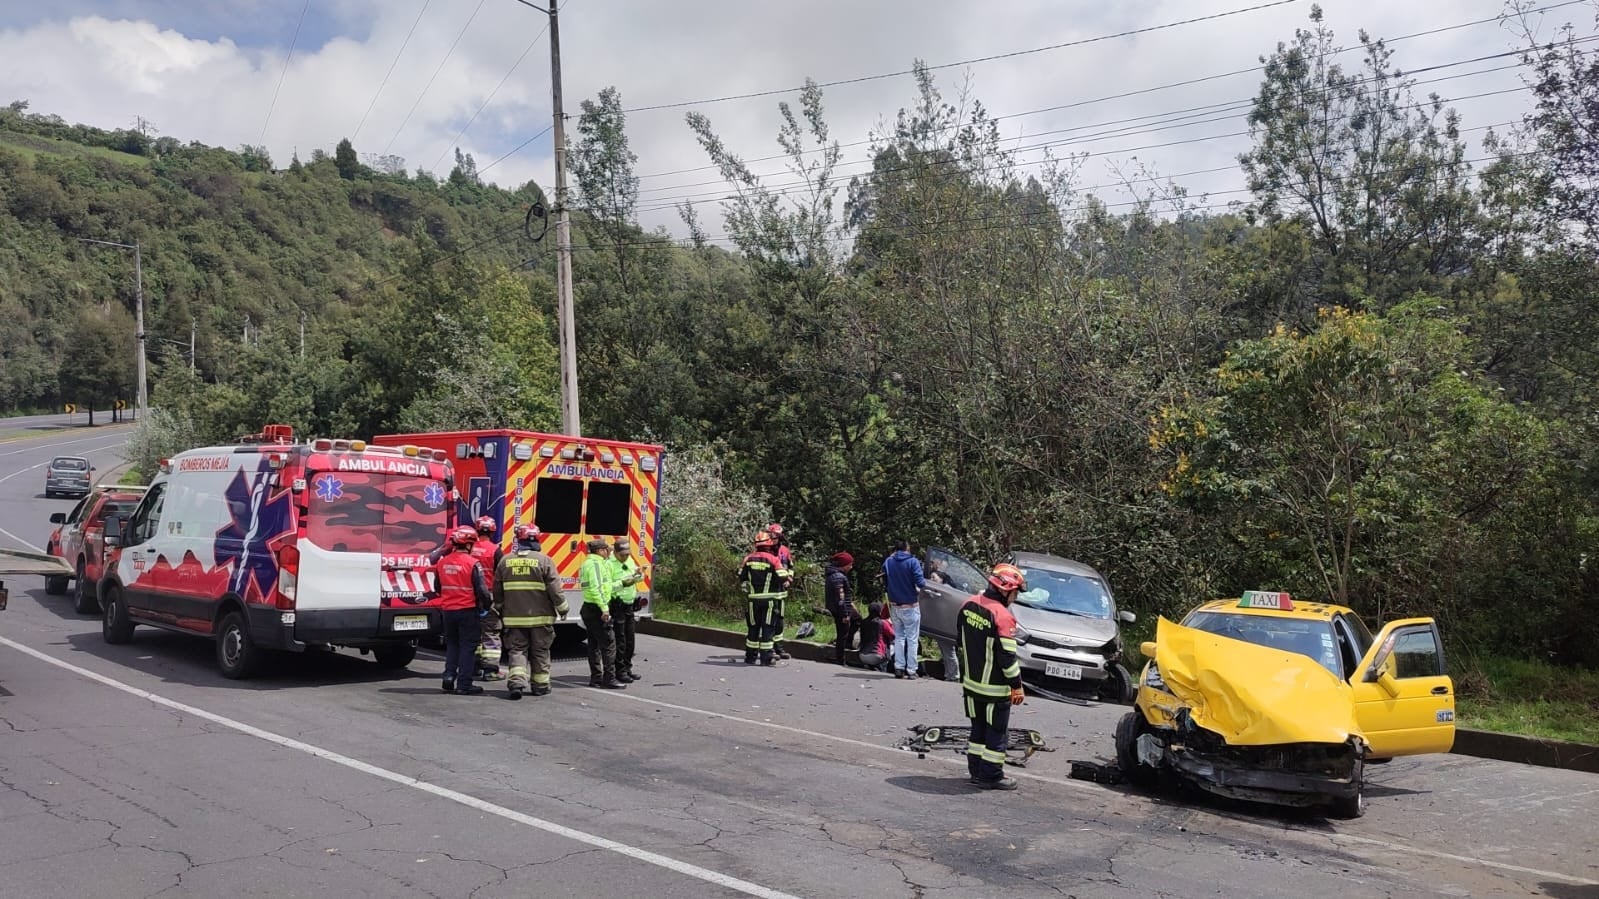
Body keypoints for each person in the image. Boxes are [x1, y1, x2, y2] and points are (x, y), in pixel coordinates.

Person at [958, 563, 1028, 790]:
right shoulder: (1002, 616)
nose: (1015, 598)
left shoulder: (968, 605)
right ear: (1005, 589)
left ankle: (976, 772)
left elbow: (959, 642)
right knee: (996, 735)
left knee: (977, 730)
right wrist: (1016, 686)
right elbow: (1007, 658)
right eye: (1015, 593)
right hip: (995, 690)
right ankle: (991, 776)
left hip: (971, 685)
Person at [494, 525, 566, 699]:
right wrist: (563, 608)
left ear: (519, 540)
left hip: (513, 618)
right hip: (541, 619)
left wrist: (499, 607)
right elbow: (555, 589)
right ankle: (540, 685)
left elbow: (497, 589)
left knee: (517, 651)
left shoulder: (505, 561)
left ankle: (516, 683)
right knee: (540, 651)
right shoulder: (544, 561)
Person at [431, 526, 492, 696]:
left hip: (448, 611)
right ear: (469, 544)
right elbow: (482, 590)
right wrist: (487, 606)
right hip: (467, 611)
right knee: (467, 648)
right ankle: (464, 684)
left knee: (452, 645)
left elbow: (437, 587)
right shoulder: (472, 563)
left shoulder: (442, 562)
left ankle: (449, 677)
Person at [579, 538, 625, 688]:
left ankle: (596, 678)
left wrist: (626, 582)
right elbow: (596, 588)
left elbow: (606, 587)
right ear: (600, 551)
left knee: (593, 644)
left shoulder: (589, 563)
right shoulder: (596, 565)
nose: (608, 552)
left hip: (589, 608)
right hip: (597, 609)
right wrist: (604, 608)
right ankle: (609, 678)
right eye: (606, 549)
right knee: (608, 644)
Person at [739, 530, 786, 666]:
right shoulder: (773, 559)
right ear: (769, 545)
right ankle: (766, 658)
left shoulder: (748, 559)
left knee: (753, 628)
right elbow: (782, 576)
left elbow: (741, 575)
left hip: (753, 600)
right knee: (768, 628)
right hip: (770, 601)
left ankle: (750, 657)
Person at [882, 538, 927, 679]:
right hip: (910, 605)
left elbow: (885, 581)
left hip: (894, 605)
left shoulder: (888, 562)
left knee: (899, 637)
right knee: (912, 638)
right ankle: (911, 670)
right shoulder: (913, 562)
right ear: (906, 548)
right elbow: (921, 582)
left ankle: (899, 668)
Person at [470, 515, 505, 681]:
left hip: (469, 596)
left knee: (474, 633)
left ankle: (473, 667)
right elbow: (502, 574)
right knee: (491, 633)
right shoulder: (495, 550)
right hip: (489, 596)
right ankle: (490, 671)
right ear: (493, 531)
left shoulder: (469, 548)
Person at [608, 536, 647, 682]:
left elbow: (639, 577)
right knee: (620, 640)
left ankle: (627, 667)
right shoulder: (609, 564)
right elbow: (608, 587)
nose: (626, 557)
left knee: (630, 639)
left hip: (629, 604)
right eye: (623, 555)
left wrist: (638, 575)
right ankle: (619, 671)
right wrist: (625, 582)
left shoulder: (629, 560)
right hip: (617, 605)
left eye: (628, 554)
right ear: (616, 553)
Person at [823, 552, 860, 665]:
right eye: (850, 564)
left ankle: (847, 645)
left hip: (841, 607)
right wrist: (845, 614)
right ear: (844, 565)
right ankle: (840, 659)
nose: (851, 567)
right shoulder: (838, 577)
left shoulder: (835, 575)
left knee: (857, 620)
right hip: (840, 609)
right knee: (842, 634)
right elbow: (840, 598)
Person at [765, 523, 795, 660]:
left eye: (776, 536)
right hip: (767, 591)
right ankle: (769, 648)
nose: (774, 538)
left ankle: (779, 648)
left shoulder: (785, 550)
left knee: (779, 621)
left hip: (781, 592)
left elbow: (790, 566)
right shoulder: (764, 550)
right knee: (768, 621)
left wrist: (789, 578)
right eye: (772, 535)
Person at [856, 602, 895, 672]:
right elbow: (893, 636)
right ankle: (883, 668)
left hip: (862, 655)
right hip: (876, 655)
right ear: (879, 611)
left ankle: (870, 665)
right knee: (895, 646)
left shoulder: (863, 622)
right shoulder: (883, 623)